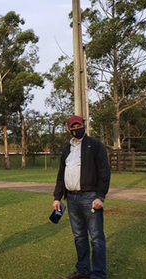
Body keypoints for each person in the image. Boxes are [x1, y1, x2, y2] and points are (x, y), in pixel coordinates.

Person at [53, 115, 111, 279]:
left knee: (96, 237)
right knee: (79, 236)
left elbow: (104, 172)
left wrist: (100, 196)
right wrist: (57, 197)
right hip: (71, 199)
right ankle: (83, 271)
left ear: (84, 126)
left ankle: (98, 274)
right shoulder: (67, 148)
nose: (76, 128)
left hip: (90, 198)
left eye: (79, 125)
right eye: (73, 126)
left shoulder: (95, 145)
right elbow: (60, 175)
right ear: (68, 129)